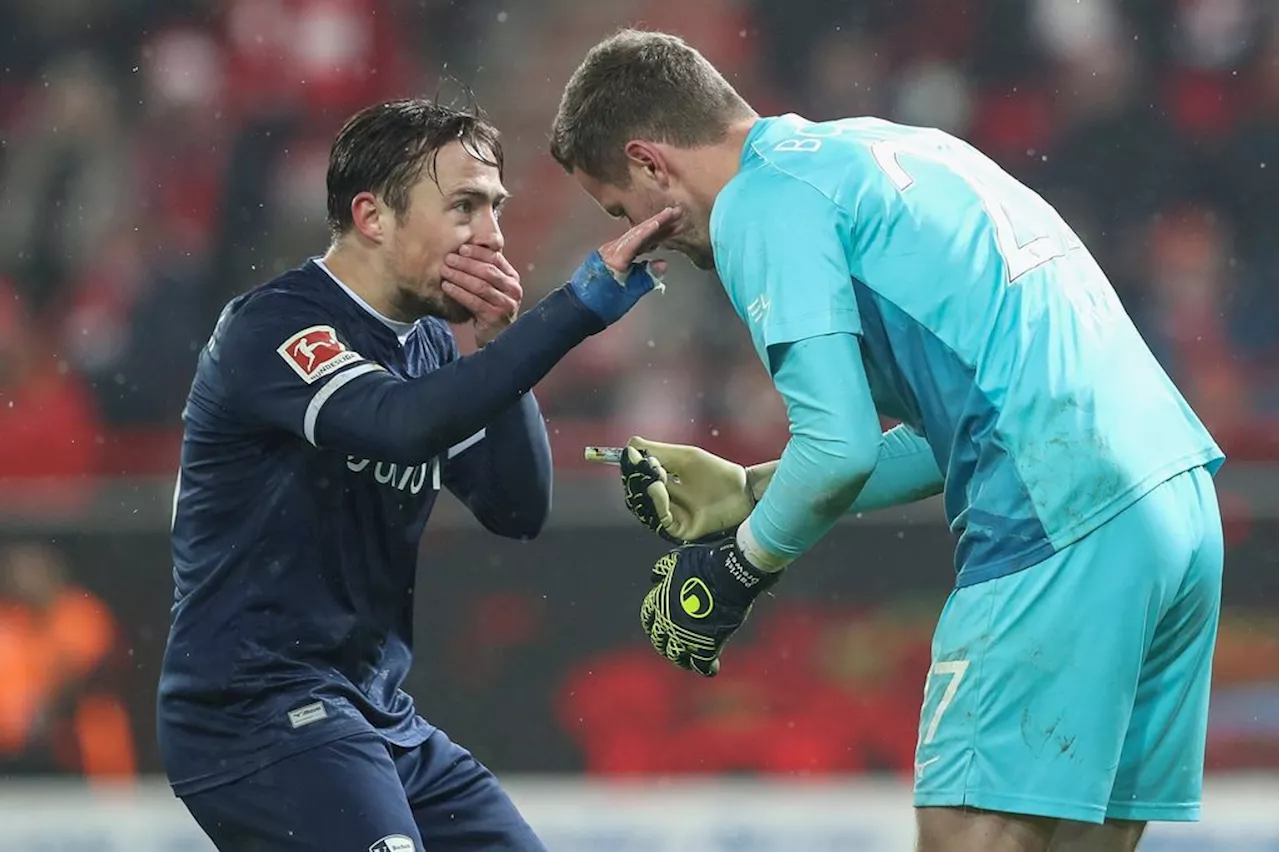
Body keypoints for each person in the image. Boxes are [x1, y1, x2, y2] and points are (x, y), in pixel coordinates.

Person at [552, 29, 1225, 852]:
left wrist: (737, 567)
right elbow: (964, 423)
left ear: (652, 162)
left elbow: (838, 449)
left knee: (964, 835)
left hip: (1057, 517)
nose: (644, 239)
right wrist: (753, 489)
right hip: (1173, 502)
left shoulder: (761, 204)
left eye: (625, 210)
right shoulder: (885, 147)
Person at [158, 97, 680, 852]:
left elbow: (517, 506)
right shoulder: (277, 327)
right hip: (255, 712)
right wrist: (575, 309)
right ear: (373, 217)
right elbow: (402, 426)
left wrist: (501, 341)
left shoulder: (430, 346)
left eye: (495, 207)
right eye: (465, 206)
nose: (493, 235)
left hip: (374, 716)